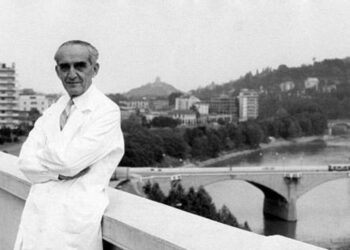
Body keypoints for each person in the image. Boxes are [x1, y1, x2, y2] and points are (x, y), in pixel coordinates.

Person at [14, 40, 124, 250]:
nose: (71, 73)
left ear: (95, 69)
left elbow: (68, 162)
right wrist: (59, 171)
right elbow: (25, 161)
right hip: (38, 216)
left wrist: (46, 159)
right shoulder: (55, 108)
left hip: (73, 222)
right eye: (65, 67)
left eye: (80, 65)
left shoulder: (106, 111)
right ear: (57, 71)